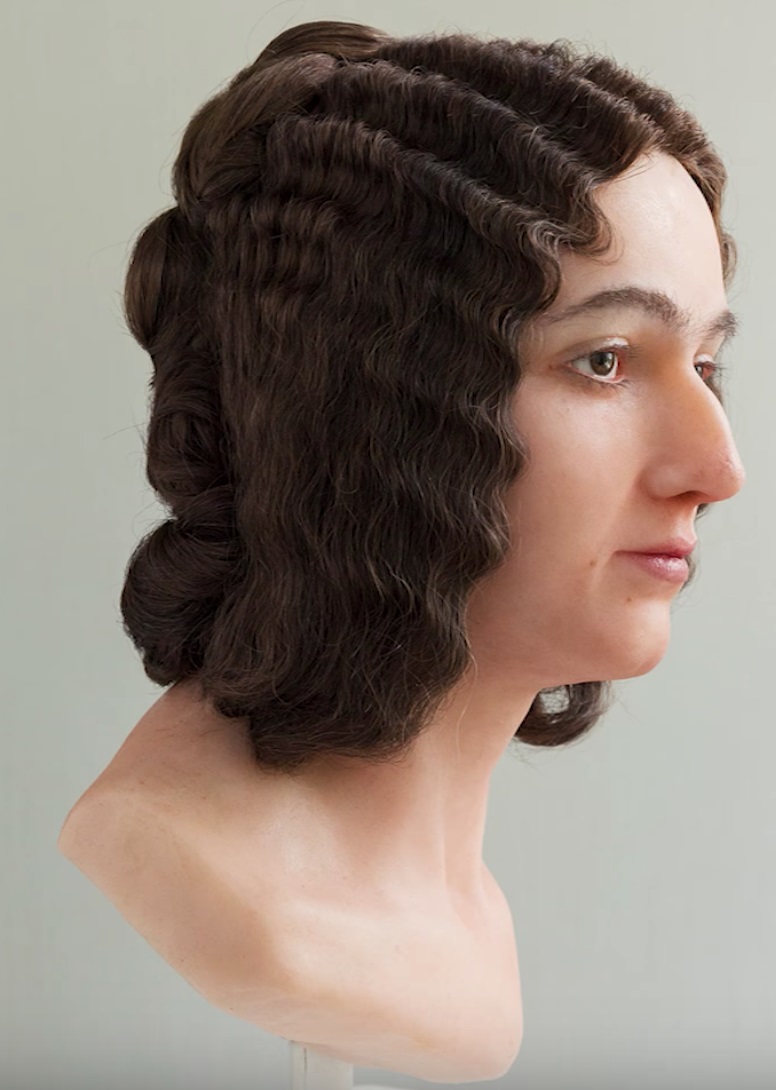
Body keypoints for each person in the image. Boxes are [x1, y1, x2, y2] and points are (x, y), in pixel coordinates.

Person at [57, 19, 745, 1084]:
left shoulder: (461, 913)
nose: (716, 466)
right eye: (604, 360)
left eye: (704, 363)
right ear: (376, 399)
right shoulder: (225, 886)